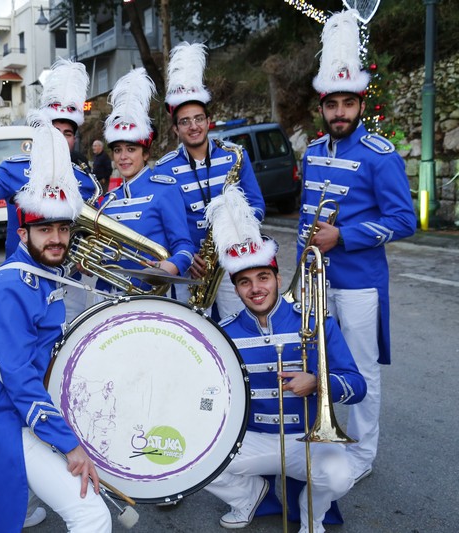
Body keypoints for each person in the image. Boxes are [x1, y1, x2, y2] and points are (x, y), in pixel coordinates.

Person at [0, 119, 111, 533]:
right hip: (6, 418)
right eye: (44, 229)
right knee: (91, 514)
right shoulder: (11, 287)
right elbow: (18, 379)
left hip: (26, 412)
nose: (56, 239)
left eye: (63, 228)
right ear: (24, 231)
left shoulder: (46, 275)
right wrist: (70, 445)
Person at [199, 193, 366, 532]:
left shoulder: (313, 320)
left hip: (308, 437)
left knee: (340, 476)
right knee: (192, 462)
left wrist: (318, 382)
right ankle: (249, 495)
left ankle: (311, 514)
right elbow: (209, 395)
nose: (255, 289)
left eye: (263, 278)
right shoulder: (222, 334)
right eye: (244, 282)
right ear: (236, 288)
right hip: (254, 439)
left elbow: (357, 385)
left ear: (277, 278)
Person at [298, 10, 416, 484]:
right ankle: (324, 436)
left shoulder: (379, 155)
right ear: (323, 107)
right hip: (315, 281)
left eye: (348, 103)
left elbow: (404, 221)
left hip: (360, 283)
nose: (340, 112)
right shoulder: (310, 153)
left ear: (360, 104)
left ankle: (363, 453)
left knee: (362, 366)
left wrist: (343, 236)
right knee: (316, 360)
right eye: (333, 104)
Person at [154, 41, 265, 318]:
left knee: (237, 330)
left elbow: (258, 207)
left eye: (199, 118)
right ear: (175, 128)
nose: (193, 126)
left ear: (208, 120)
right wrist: (185, 256)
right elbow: (163, 222)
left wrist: (236, 232)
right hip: (191, 265)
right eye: (185, 121)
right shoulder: (164, 168)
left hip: (232, 260)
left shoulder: (235, 156)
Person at [0, 58, 101, 259]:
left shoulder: (85, 179)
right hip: (20, 272)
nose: (60, 139)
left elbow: (95, 229)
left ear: (74, 139)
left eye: (67, 133)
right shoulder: (14, 169)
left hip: (66, 275)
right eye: (54, 131)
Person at [94, 68, 194, 294]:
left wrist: (170, 266)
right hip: (111, 295)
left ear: (146, 154)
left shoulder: (165, 190)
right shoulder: (107, 200)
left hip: (155, 295)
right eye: (118, 150)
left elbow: (184, 247)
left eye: (131, 149)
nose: (123, 156)